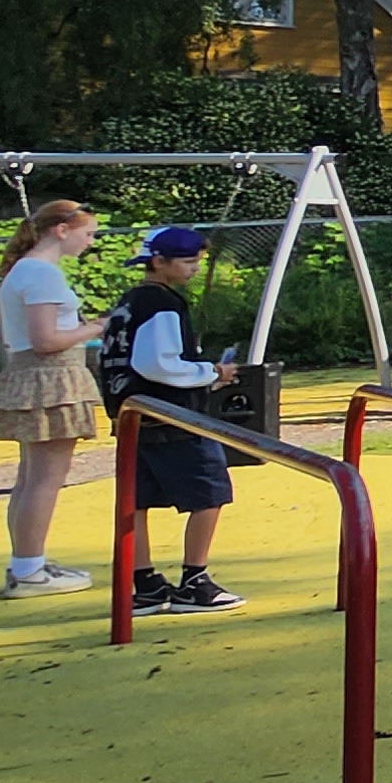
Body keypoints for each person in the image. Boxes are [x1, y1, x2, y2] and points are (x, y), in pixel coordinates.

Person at [100, 224, 246, 615]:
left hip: (135, 415)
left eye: (197, 260)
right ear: (158, 262)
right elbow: (157, 363)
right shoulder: (163, 305)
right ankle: (194, 580)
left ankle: (144, 582)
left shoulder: (128, 302)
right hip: (172, 417)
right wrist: (211, 373)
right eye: (186, 261)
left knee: (139, 499)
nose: (194, 268)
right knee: (209, 493)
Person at [0, 198, 105, 597]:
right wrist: (101, 325)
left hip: (38, 376)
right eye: (88, 234)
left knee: (31, 478)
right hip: (49, 379)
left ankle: (27, 563)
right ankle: (29, 571)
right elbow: (46, 340)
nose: (91, 242)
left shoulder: (28, 270)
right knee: (45, 479)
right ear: (61, 230)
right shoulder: (40, 274)